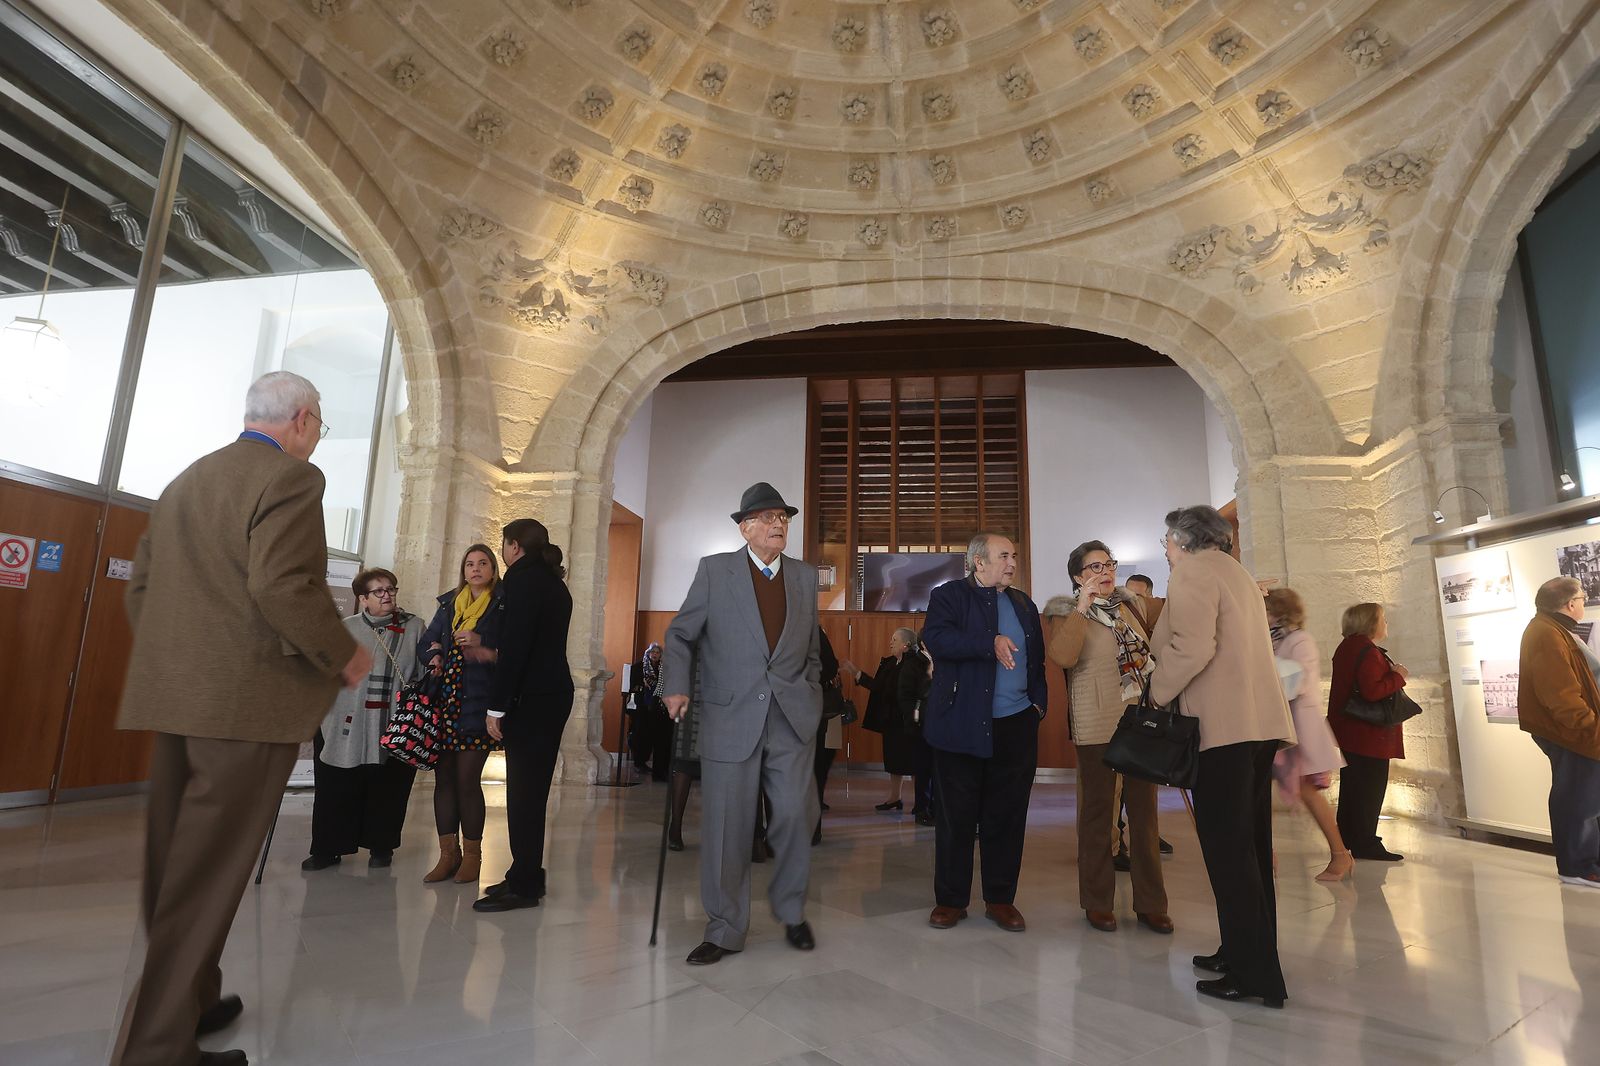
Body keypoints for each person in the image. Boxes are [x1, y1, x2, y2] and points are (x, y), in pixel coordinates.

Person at [111, 371, 370, 1066]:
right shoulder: (290, 478)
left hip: (177, 701)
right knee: (204, 879)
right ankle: (155, 1049)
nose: (315, 438)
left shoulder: (188, 479)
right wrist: (343, 654)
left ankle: (197, 998)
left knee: (176, 866)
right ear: (304, 419)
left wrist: (184, 663)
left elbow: (141, 589)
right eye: (319, 426)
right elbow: (282, 585)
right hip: (246, 710)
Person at [662, 482, 823, 965]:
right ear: (745, 526)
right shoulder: (715, 571)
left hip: (792, 716)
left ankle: (792, 912)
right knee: (729, 826)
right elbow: (680, 634)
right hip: (731, 716)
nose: (779, 525)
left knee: (796, 818)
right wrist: (675, 685)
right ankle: (725, 927)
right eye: (768, 517)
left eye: (784, 518)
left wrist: (811, 692)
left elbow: (811, 649)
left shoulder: (803, 576)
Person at [1149, 505, 1294, 1010]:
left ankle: (1254, 976)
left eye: (1166, 539)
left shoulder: (1192, 572)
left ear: (1181, 540)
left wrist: (1153, 692)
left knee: (1230, 855)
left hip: (1222, 731)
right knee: (1248, 849)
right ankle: (1242, 952)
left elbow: (1191, 649)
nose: (1164, 548)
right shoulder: (1235, 572)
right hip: (1256, 728)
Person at [1043, 540, 1172, 935]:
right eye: (1094, 567)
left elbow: (1183, 607)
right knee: (1098, 816)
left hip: (1139, 721)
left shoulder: (1133, 604)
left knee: (1146, 817)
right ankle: (1097, 901)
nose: (1105, 571)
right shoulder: (1063, 612)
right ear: (1078, 576)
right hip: (1096, 722)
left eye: (1108, 564)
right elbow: (1063, 657)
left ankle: (1151, 904)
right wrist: (1083, 604)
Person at [922, 532, 1047, 934]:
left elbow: (1037, 660)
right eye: (1004, 556)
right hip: (961, 722)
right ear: (979, 563)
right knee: (956, 817)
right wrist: (987, 642)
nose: (1012, 562)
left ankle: (1000, 898)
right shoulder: (949, 596)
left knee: (1007, 816)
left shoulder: (1023, 603)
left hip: (1016, 725)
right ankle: (951, 900)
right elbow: (936, 639)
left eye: (1014, 555)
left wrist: (1037, 705)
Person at [473, 518, 575, 912]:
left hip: (533, 699)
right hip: (550, 694)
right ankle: (524, 872)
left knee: (525, 794)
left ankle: (526, 884)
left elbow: (516, 649)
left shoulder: (521, 579)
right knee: (529, 792)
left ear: (514, 546)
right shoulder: (551, 581)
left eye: (503, 544)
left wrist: (496, 707)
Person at [303, 568, 426, 871]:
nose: (388, 596)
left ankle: (381, 847)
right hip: (347, 722)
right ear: (362, 599)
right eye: (379, 592)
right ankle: (328, 849)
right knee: (337, 786)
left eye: (391, 589)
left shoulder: (414, 628)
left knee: (389, 787)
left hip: (393, 723)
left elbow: (422, 672)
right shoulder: (345, 629)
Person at [417, 544, 504, 886]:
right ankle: (446, 856)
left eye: (483, 563)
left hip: (478, 701)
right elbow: (428, 640)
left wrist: (482, 641)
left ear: (493, 570)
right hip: (446, 701)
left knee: (468, 781)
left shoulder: (500, 604)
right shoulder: (450, 602)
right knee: (444, 781)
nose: (476, 569)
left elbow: (511, 649)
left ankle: (473, 858)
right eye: (470, 564)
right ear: (463, 570)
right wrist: (435, 652)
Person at [1262, 588, 1351, 881]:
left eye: (1266, 609)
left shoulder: (1299, 639)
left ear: (1277, 612)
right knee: (1260, 791)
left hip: (1298, 726)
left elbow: (1296, 681)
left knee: (1307, 792)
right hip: (1279, 725)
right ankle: (1264, 854)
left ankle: (1340, 854)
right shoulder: (1274, 639)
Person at [1517, 577, 1600, 888]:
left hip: (1576, 730)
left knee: (1587, 794)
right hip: (1571, 731)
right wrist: (1590, 727)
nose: (1584, 602)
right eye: (1582, 597)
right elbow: (1560, 694)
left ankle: (1587, 860)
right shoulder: (1546, 634)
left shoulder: (1552, 630)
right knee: (1578, 797)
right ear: (1570, 604)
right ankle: (1577, 866)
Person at [1327, 601, 1409, 862]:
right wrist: (1398, 675)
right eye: (1382, 618)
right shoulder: (1366, 649)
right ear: (1370, 622)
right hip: (1368, 734)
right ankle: (1365, 842)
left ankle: (1351, 837)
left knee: (1353, 787)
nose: (1386, 623)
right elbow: (1373, 691)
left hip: (1352, 731)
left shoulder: (1347, 647)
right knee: (1369, 790)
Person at [842, 628, 920, 811]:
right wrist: (856, 672)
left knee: (915, 761)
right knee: (894, 760)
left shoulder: (915, 664)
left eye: (894, 639)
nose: (890, 642)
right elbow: (877, 686)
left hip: (908, 721)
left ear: (906, 645)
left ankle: (920, 802)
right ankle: (895, 797)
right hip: (891, 721)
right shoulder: (890, 663)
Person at [899, 634, 936, 825]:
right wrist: (930, 676)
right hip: (920, 725)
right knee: (923, 769)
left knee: (938, 769)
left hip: (939, 724)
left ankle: (936, 809)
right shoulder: (913, 664)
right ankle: (922, 809)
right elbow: (908, 696)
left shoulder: (940, 661)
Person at [815, 626, 844, 841]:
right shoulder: (814, 631)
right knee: (816, 772)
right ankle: (812, 830)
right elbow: (831, 667)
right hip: (817, 709)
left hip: (788, 710)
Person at [627, 642, 671, 780]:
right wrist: (642, 684)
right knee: (641, 734)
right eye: (653, 652)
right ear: (648, 653)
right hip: (642, 707)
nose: (655, 655)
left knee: (655, 735)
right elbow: (631, 685)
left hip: (656, 707)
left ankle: (650, 763)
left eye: (658, 653)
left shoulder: (662, 668)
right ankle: (639, 761)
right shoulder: (639, 667)